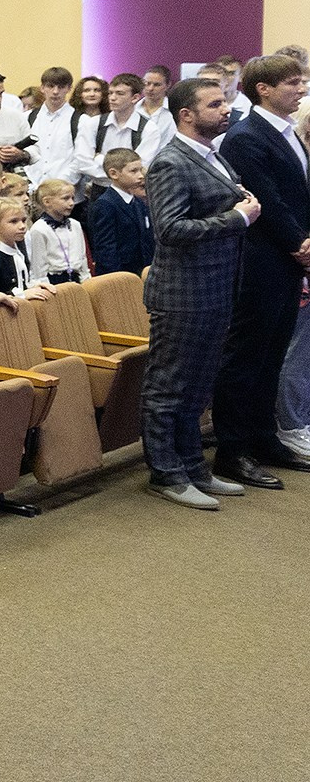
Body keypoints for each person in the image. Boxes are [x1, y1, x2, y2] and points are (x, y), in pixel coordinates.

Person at [141, 79, 258, 509]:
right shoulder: (170, 162)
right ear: (186, 115)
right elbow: (171, 231)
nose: (226, 109)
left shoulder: (212, 155)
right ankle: (166, 473)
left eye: (224, 101)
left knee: (197, 388)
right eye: (215, 104)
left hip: (215, 287)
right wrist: (236, 218)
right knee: (168, 387)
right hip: (182, 293)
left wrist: (240, 203)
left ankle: (193, 465)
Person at [209, 55, 310, 489]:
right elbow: (265, 199)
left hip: (287, 258)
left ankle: (264, 438)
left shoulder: (287, 132)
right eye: (292, 82)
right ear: (263, 89)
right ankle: (231, 451)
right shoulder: (245, 136)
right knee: (246, 357)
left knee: (271, 355)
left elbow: (299, 195)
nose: (302, 88)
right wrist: (300, 244)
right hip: (262, 259)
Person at [87, 148, 153, 276]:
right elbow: (106, 248)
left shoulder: (138, 202)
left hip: (142, 271)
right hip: (119, 276)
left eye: (140, 169)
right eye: (133, 171)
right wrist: (117, 279)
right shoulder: (105, 204)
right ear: (114, 174)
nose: (140, 175)